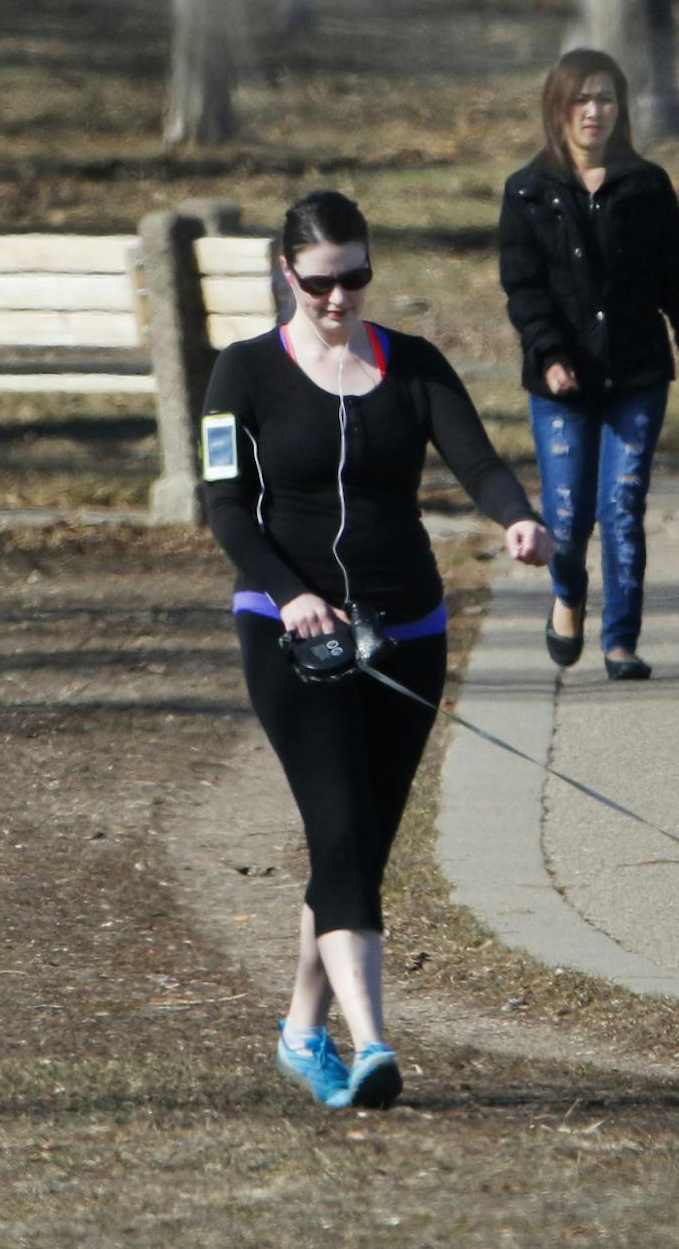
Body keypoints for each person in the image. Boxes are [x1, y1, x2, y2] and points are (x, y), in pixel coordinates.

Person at [204, 191, 551, 1108]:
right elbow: (228, 510)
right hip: (292, 635)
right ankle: (373, 1046)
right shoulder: (242, 374)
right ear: (288, 274)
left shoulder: (414, 363)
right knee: (343, 830)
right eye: (320, 280)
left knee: (356, 849)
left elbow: (475, 460)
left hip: (407, 631)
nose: (338, 298)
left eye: (355, 276)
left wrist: (517, 518)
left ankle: (299, 1031)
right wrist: (292, 593)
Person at [499, 49, 679, 681]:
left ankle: (621, 641)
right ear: (557, 108)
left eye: (605, 99)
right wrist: (549, 358)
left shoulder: (647, 185)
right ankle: (568, 596)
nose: (593, 111)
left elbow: (678, 282)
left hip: (637, 375)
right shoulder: (527, 190)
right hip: (560, 383)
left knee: (623, 506)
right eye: (581, 99)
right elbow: (523, 288)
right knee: (567, 521)